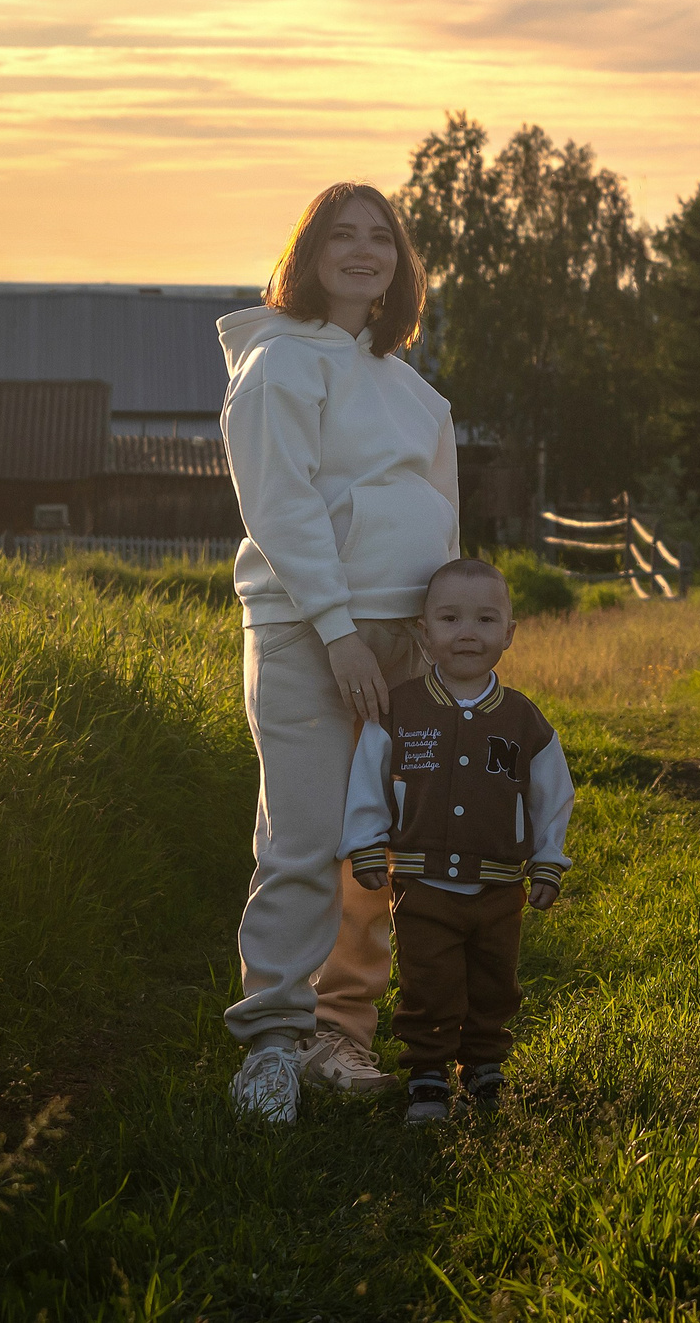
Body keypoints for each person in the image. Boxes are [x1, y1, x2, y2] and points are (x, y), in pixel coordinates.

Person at [218, 182, 461, 1123]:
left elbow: (443, 526)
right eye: (343, 236)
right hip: (313, 629)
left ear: (401, 264)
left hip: (409, 638)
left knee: (377, 849)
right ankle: (270, 1045)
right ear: (309, 253)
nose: (365, 252)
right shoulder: (279, 363)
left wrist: (449, 647)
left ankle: (338, 1035)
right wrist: (338, 632)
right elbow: (280, 506)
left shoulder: (413, 392)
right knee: (305, 838)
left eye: (383, 239)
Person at [342, 558, 573, 1124]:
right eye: (449, 618)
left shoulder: (524, 721)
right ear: (425, 633)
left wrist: (547, 860)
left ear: (509, 635)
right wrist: (368, 843)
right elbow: (369, 779)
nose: (467, 632)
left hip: (500, 888)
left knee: (496, 981)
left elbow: (551, 796)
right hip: (422, 885)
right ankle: (427, 1074)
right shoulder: (400, 709)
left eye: (485, 620)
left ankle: (485, 1066)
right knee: (428, 980)